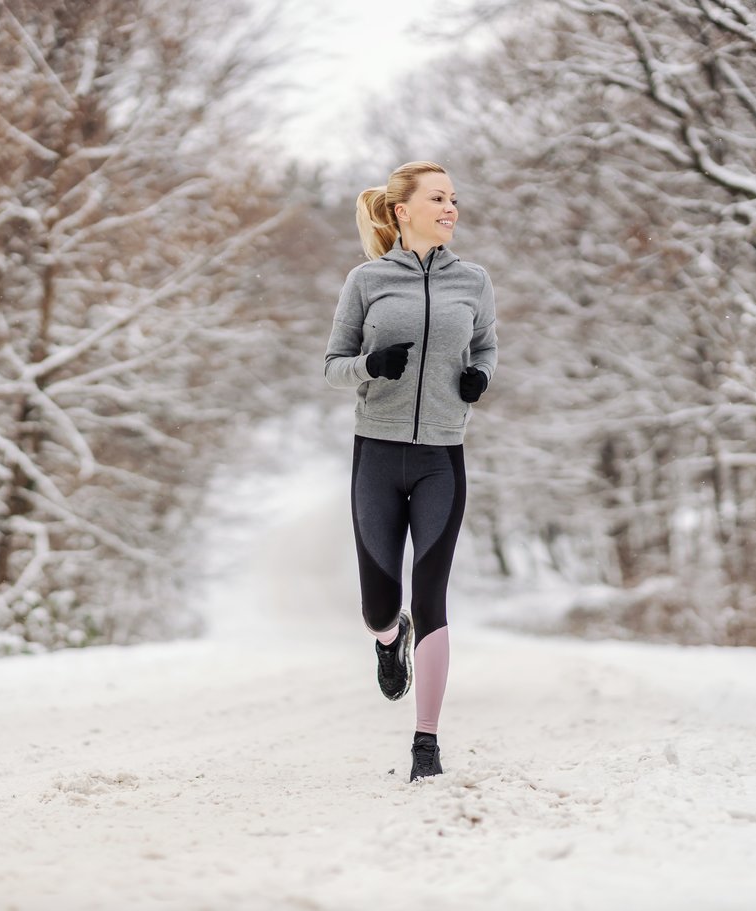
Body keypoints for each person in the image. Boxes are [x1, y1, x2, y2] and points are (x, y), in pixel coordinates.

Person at [323, 161, 498, 782]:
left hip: (440, 457)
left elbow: (485, 347)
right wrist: (372, 365)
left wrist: (480, 377)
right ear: (403, 211)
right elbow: (332, 365)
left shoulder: (473, 281)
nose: (451, 207)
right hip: (377, 453)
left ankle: (426, 742)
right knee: (380, 604)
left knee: (432, 595)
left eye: (453, 198)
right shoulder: (366, 281)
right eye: (438, 198)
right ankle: (386, 636)